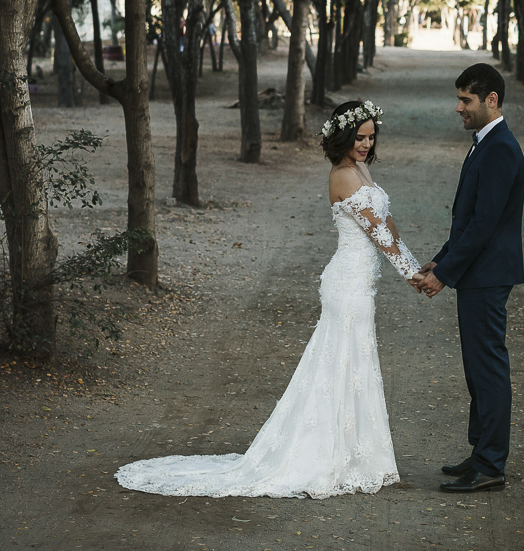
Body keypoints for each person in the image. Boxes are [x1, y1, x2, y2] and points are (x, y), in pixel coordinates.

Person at [116, 99, 421, 500]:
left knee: (354, 365)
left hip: (361, 282)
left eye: (370, 137)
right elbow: (377, 233)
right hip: (347, 284)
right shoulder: (343, 175)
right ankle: (326, 456)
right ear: (343, 136)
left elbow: (389, 222)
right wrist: (414, 277)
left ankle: (355, 455)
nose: (366, 144)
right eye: (359, 137)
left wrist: (420, 264)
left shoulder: (362, 169)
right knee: (342, 363)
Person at [413, 63, 524, 494]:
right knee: (476, 371)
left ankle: (492, 464)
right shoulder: (485, 142)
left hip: (487, 274)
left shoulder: (499, 147)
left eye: (466, 100)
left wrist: (445, 275)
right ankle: (480, 453)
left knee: (489, 370)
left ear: (490, 100)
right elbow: (467, 220)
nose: (458, 108)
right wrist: (439, 261)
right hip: (477, 272)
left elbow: (483, 224)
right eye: (459, 99)